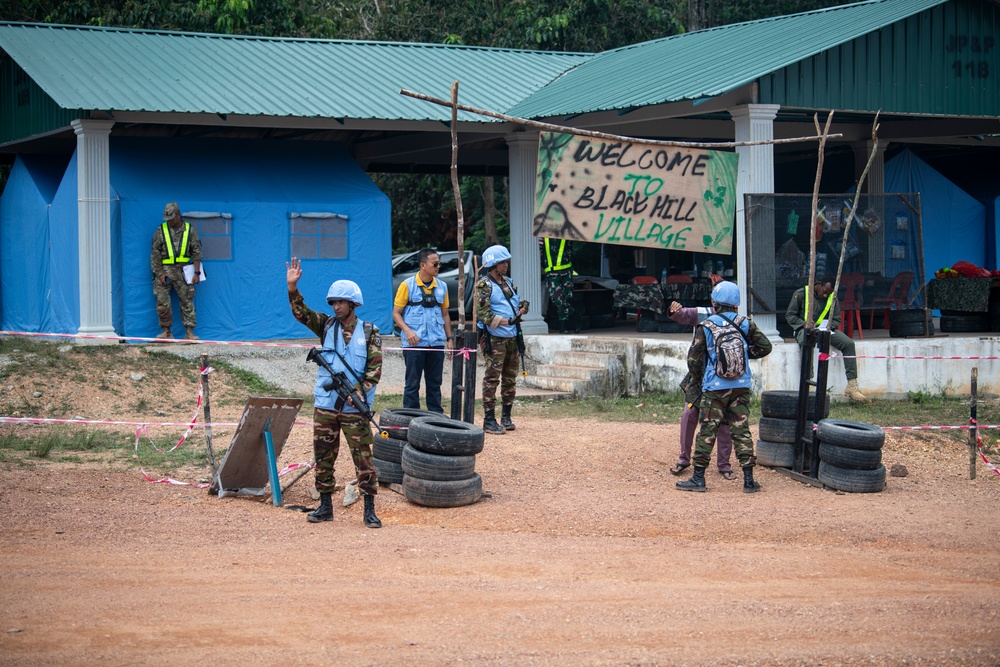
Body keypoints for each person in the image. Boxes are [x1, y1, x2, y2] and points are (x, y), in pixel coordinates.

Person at [286, 257, 383, 528]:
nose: (336, 306)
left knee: (363, 457)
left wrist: (360, 391)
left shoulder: (369, 331)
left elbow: (374, 369)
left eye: (341, 302)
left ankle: (369, 509)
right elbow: (301, 313)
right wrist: (293, 288)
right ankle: (325, 506)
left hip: (355, 406)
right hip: (327, 404)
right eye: (333, 303)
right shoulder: (326, 325)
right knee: (324, 456)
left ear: (353, 304)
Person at [677, 281, 772, 494]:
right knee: (741, 430)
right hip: (741, 385)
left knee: (707, 430)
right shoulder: (745, 323)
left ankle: (698, 479)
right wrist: (746, 357)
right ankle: (748, 480)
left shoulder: (707, 326)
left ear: (714, 302)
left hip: (714, 386)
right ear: (736, 304)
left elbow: (693, 358)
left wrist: (698, 377)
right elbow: (766, 346)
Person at [666, 275, 735, 480]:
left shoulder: (728, 318)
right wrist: (673, 310)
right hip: (705, 375)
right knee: (703, 417)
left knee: (712, 419)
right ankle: (690, 460)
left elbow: (682, 315)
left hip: (715, 375)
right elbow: (681, 315)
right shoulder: (712, 314)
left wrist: (675, 311)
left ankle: (720, 464)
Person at [392, 249, 454, 413]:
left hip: (435, 344)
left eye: (439, 263)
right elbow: (396, 313)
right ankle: (411, 418)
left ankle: (435, 417)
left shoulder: (442, 287)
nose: (438, 266)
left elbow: (445, 314)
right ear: (423, 265)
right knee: (412, 384)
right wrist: (407, 331)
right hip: (414, 344)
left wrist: (449, 338)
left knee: (435, 383)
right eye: (435, 264)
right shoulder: (407, 286)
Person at [785, 278, 867, 401]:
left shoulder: (832, 296)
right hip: (804, 329)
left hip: (824, 330)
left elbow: (836, 318)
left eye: (828, 293)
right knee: (807, 343)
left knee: (848, 343)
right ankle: (809, 383)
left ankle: (852, 385)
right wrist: (804, 324)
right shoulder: (801, 293)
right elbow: (790, 315)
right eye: (824, 291)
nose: (825, 295)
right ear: (818, 285)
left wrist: (827, 326)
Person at [476, 244, 529, 435]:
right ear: (492, 265)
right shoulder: (485, 285)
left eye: (506, 261)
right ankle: (489, 419)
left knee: (510, 378)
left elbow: (515, 302)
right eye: (501, 262)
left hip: (512, 337)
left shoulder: (507, 282)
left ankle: (506, 416)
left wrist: (523, 307)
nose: (505, 265)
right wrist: (508, 321)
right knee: (492, 378)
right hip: (495, 339)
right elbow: (484, 315)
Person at [151, 202, 202, 340]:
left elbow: (197, 252)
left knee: (187, 301)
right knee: (162, 302)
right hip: (165, 272)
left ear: (178, 215)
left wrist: (197, 274)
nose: (170, 220)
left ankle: (189, 332)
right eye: (167, 218)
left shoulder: (189, 230)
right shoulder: (161, 231)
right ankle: (166, 332)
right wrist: (160, 273)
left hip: (183, 272)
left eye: (172, 217)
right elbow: (155, 254)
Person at [540, 237, 577, 334]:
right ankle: (575, 315)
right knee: (557, 298)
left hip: (566, 270)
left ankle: (563, 326)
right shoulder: (543, 233)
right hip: (551, 271)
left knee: (567, 297)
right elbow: (540, 250)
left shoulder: (566, 231)